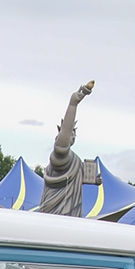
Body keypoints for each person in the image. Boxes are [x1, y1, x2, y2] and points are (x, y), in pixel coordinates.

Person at [38, 80, 95, 216]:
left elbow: (75, 178)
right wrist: (72, 105)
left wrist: (92, 180)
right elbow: (63, 140)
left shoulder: (74, 160)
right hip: (55, 212)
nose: (71, 136)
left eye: (74, 134)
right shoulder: (59, 156)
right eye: (70, 133)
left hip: (72, 212)